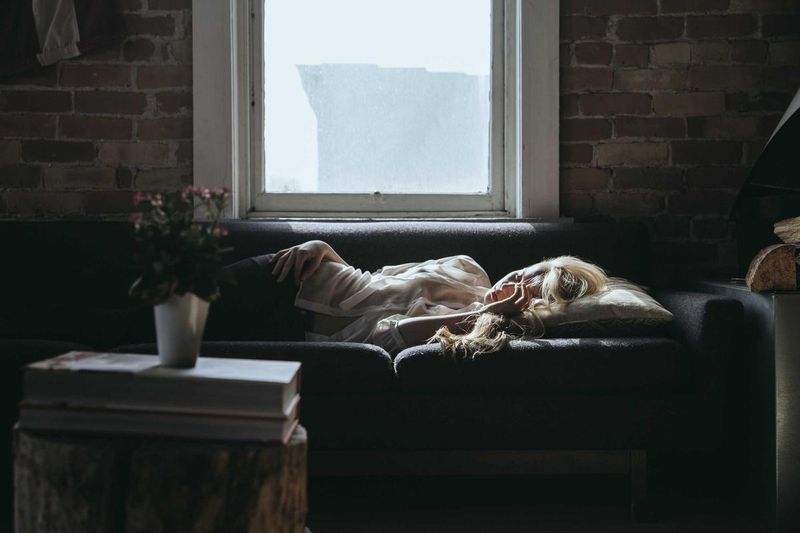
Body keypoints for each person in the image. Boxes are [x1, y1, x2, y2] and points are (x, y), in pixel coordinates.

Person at [267, 240, 608, 357]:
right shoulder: (467, 267)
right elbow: (377, 278)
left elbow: (388, 334)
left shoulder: (482, 328)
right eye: (518, 274)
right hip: (293, 276)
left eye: (524, 292)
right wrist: (322, 249)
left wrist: (488, 313)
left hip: (290, 335)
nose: (511, 283)